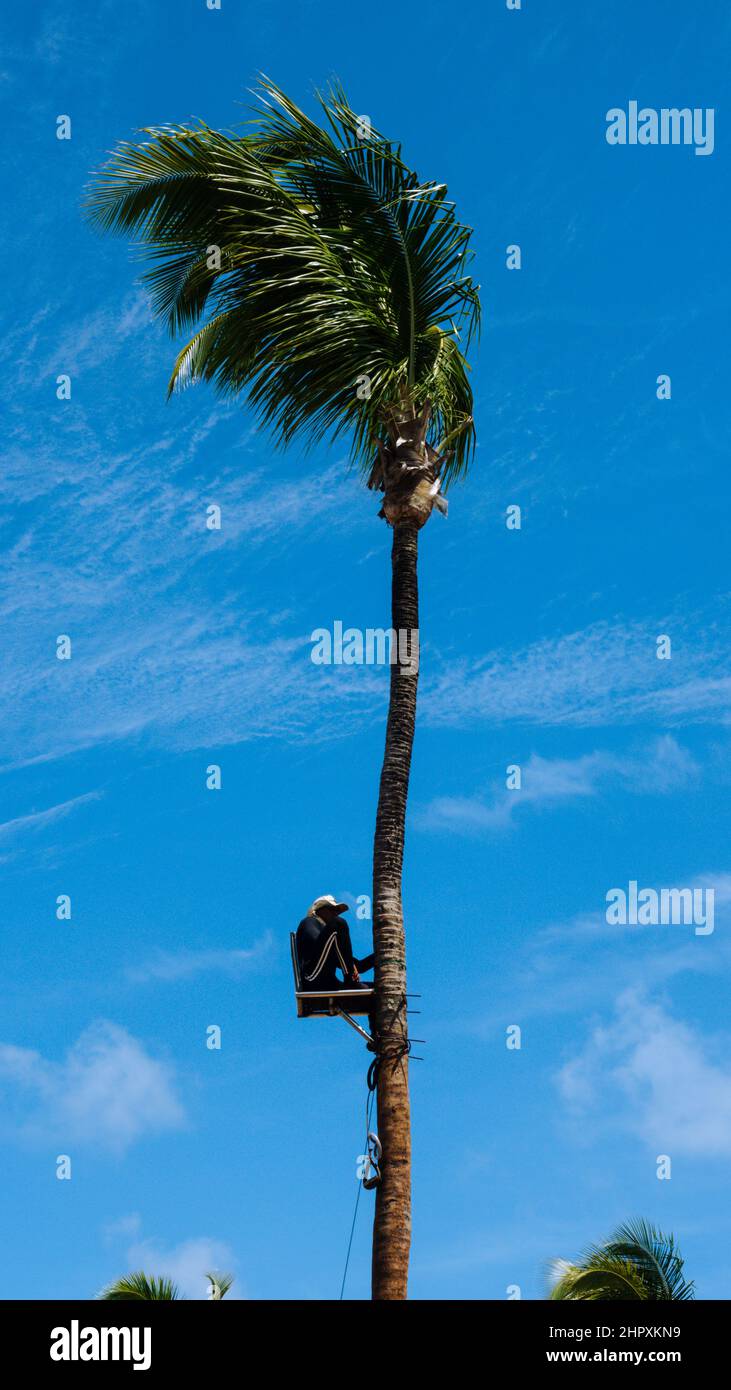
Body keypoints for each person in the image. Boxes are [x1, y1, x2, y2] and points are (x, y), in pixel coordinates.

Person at [296, 895, 374, 992]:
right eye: (332, 909)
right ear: (319, 910)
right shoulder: (309, 921)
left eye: (337, 911)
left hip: (330, 984)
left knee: (376, 988)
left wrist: (381, 955)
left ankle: (350, 981)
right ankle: (349, 980)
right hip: (312, 977)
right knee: (339, 923)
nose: (336, 913)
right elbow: (315, 943)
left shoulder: (331, 941)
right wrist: (350, 969)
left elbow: (360, 967)